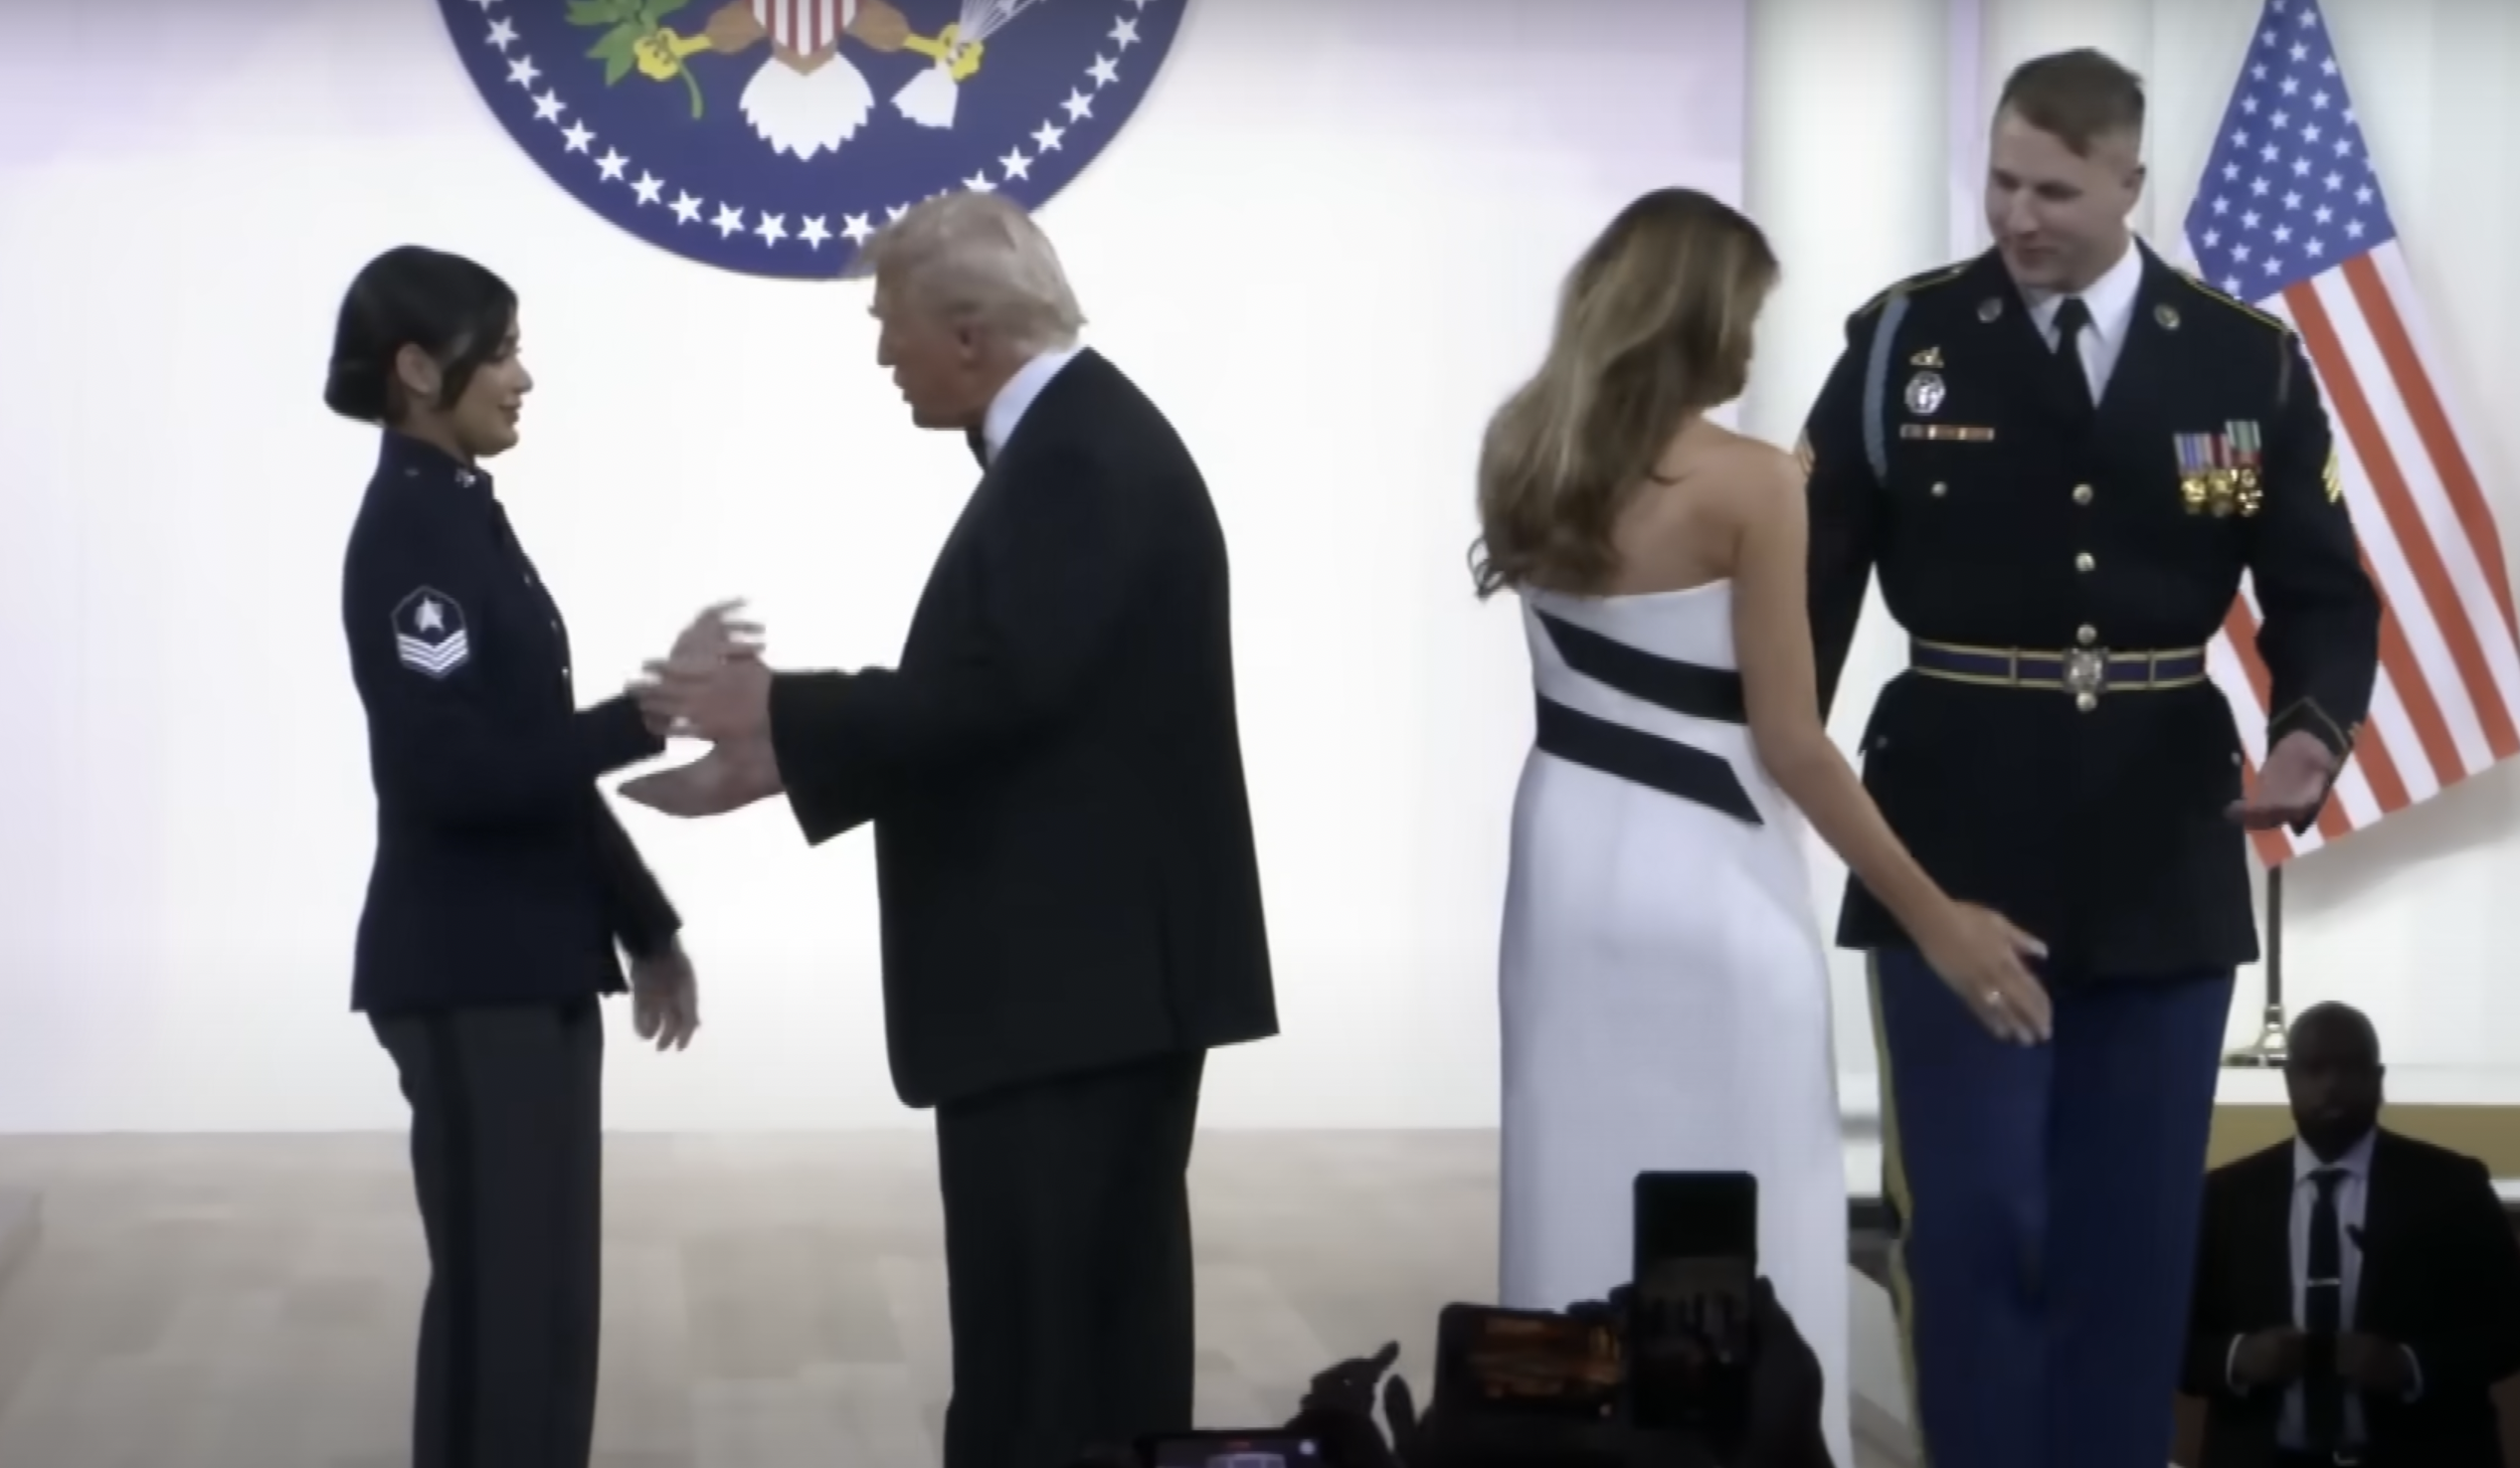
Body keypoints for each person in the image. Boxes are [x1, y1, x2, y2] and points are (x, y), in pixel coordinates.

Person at [618, 192, 1279, 1468]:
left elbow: (996, 693)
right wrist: (780, 752)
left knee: (1055, 1360)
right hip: (1082, 994)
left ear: (969, 333)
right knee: (1075, 1342)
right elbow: (1015, 702)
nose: (881, 353)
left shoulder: (1080, 459)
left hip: (1068, 999)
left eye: (891, 325)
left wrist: (781, 718)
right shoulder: (1078, 443)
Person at [1800, 51, 2383, 1468]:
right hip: (1950, 844)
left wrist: (2311, 733)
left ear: (2130, 182)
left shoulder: (2242, 360)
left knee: (2131, 1238)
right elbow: (1802, 595)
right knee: (1979, 1216)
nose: (2017, 214)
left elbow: (2322, 589)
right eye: (2000, 180)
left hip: (2161, 850)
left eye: (2052, 188)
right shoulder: (1900, 345)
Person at [1472, 187, 2050, 1468]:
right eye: (1742, 321)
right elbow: (1789, 742)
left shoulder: (1518, 447)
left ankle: (1558, 1445)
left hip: (1564, 861)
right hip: (1715, 872)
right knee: (1748, 1192)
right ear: (1696, 321)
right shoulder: (1751, 485)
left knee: (1573, 1180)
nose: (1748, 351)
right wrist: (1934, 917)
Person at [327, 245, 718, 1468]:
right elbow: (447, 774)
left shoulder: (462, 521)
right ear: (413, 366)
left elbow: (529, 759)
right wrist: (638, 716)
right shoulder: (409, 535)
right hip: (466, 972)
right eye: (497, 351)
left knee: (546, 1317)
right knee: (507, 1318)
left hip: (529, 966)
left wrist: (645, 927)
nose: (521, 376)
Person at [2184, 1003, 2520, 1468]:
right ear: (2288, 1080)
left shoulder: (2452, 1187)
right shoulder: (2225, 1196)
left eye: (2349, 1068)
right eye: (2315, 1069)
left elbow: (2507, 1329)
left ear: (2378, 1078)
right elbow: (2173, 1337)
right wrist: (2238, 1358)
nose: (2331, 1085)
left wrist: (2408, 1366)